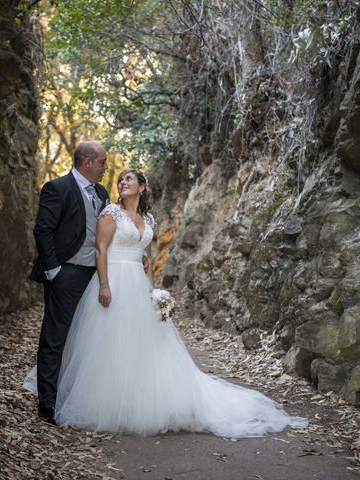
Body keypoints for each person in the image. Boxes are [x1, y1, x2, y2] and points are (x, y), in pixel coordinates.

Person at [25, 168, 308, 437]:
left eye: (129, 179)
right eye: (120, 179)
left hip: (137, 284)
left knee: (142, 344)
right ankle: (102, 401)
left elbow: (145, 257)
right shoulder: (110, 213)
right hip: (113, 281)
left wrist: (153, 292)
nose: (123, 183)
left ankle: (140, 399)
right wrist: (106, 285)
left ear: (142, 187)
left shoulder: (148, 220)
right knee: (109, 343)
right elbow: (100, 250)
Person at [28, 141, 110, 423]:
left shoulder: (102, 192)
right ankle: (47, 405)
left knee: (88, 339)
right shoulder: (57, 188)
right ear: (87, 162)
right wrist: (54, 272)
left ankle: (77, 398)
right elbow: (43, 230)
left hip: (94, 276)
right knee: (55, 338)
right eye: (102, 162)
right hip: (67, 274)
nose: (105, 167)